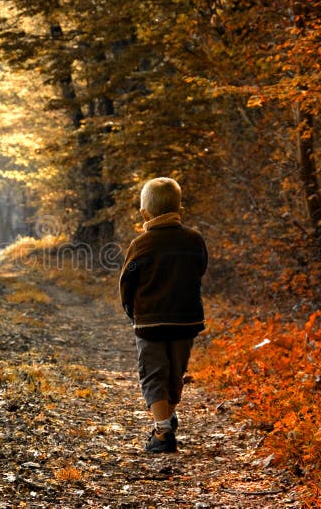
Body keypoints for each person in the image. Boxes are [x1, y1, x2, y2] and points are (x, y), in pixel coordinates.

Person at [119, 177, 208, 453]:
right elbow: (200, 268)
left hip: (151, 322)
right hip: (185, 321)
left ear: (145, 214)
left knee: (154, 374)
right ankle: (166, 416)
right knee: (175, 373)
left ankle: (162, 433)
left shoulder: (141, 244)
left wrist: (131, 311)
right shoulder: (194, 240)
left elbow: (127, 282)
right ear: (179, 209)